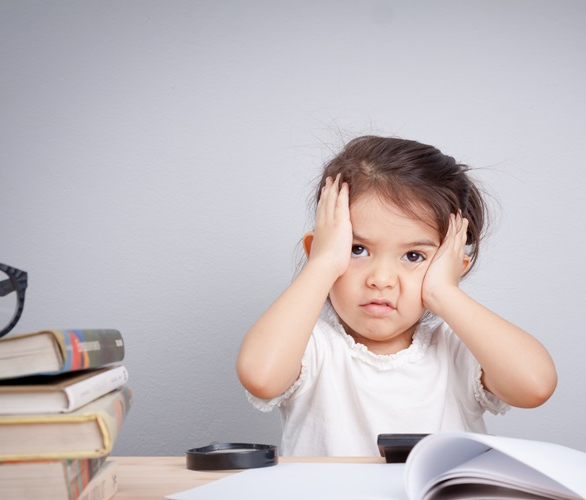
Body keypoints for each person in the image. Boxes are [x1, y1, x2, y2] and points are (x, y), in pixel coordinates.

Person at [236, 135, 557, 456]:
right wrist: (323, 265)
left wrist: (445, 292)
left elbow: (535, 386)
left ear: (452, 268)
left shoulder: (458, 349)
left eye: (413, 256)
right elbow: (261, 376)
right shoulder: (312, 347)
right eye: (357, 249)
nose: (381, 279)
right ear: (319, 250)